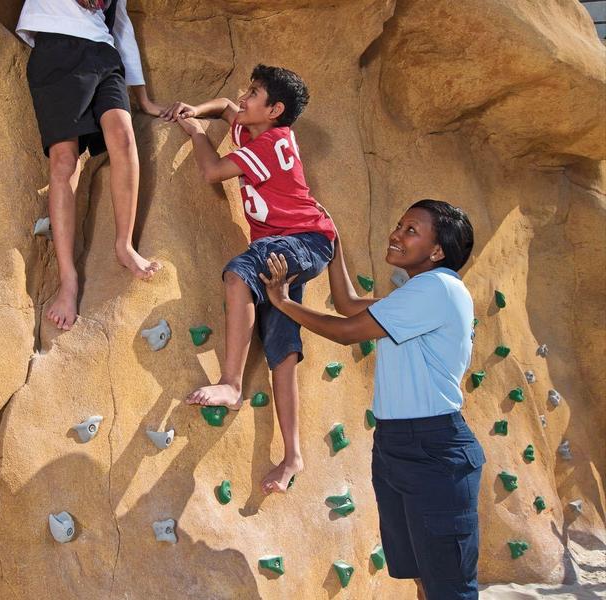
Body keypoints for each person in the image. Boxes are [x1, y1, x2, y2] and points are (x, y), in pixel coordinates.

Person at [260, 199, 484, 600]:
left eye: (411, 230)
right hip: (396, 444)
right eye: (399, 225)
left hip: (434, 449)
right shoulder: (417, 294)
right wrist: (335, 244)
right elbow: (347, 304)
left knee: (448, 586)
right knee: (421, 575)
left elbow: (346, 330)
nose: (396, 234)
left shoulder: (438, 288)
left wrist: (283, 302)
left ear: (438, 252)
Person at [171, 65, 336, 494]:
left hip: (302, 242)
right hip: (293, 249)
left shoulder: (271, 142)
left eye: (255, 93)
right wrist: (198, 108)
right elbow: (225, 107)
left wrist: (197, 133)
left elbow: (213, 171)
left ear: (275, 109)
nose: (243, 98)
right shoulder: (255, 129)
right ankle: (293, 455)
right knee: (281, 344)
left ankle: (230, 383)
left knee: (239, 273)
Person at [0, 0, 163, 330]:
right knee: (65, 162)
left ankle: (124, 245)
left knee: (123, 139)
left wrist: (144, 98)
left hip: (104, 53)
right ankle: (68, 281)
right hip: (55, 48)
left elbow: (121, 24)